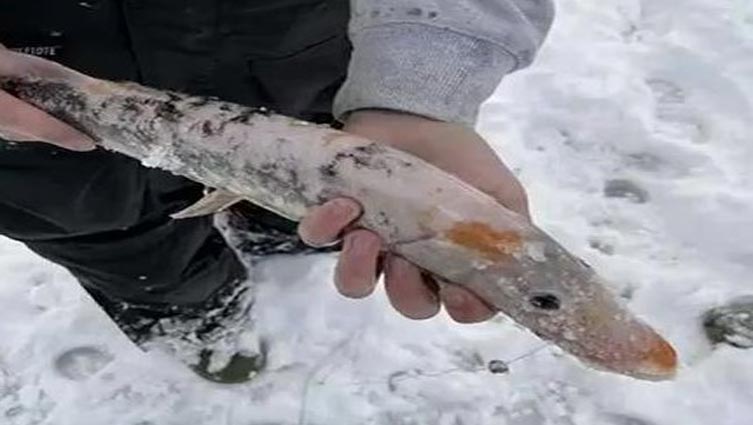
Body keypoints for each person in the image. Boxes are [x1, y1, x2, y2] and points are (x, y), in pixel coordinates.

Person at [0, 0, 554, 382]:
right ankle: (200, 318)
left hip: (295, 57)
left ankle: (272, 236)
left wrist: (418, 85)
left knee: (317, 212)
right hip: (33, 126)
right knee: (122, 244)